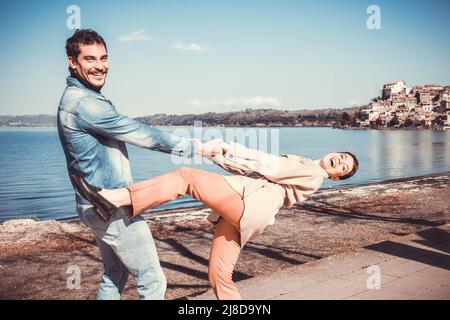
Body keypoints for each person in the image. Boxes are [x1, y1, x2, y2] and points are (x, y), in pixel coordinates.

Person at [71, 139, 359, 299]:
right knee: (219, 278)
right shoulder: (306, 165)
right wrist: (220, 156)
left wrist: (228, 147)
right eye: (342, 156)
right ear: (334, 151)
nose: (339, 161)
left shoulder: (312, 173)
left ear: (336, 177)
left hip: (247, 203)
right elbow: (254, 172)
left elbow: (266, 164)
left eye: (343, 167)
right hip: (247, 214)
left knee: (185, 177)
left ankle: (113, 199)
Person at [57, 29, 220, 300]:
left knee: (115, 274)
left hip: (94, 204)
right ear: (73, 62)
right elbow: (142, 134)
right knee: (152, 279)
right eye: (89, 59)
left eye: (104, 58)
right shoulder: (85, 104)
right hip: (111, 204)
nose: (99, 66)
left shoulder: (80, 99)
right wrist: (197, 147)